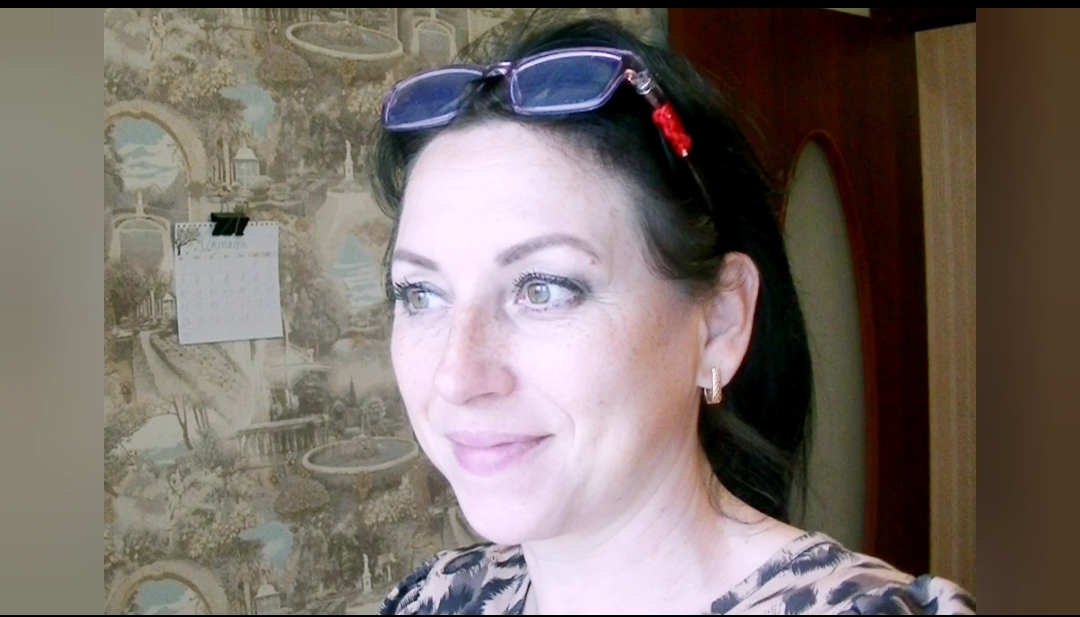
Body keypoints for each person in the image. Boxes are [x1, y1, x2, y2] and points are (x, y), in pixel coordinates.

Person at [366, 16, 976, 616]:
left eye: (544, 289)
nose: (457, 376)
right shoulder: (435, 600)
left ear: (719, 324)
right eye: (421, 294)